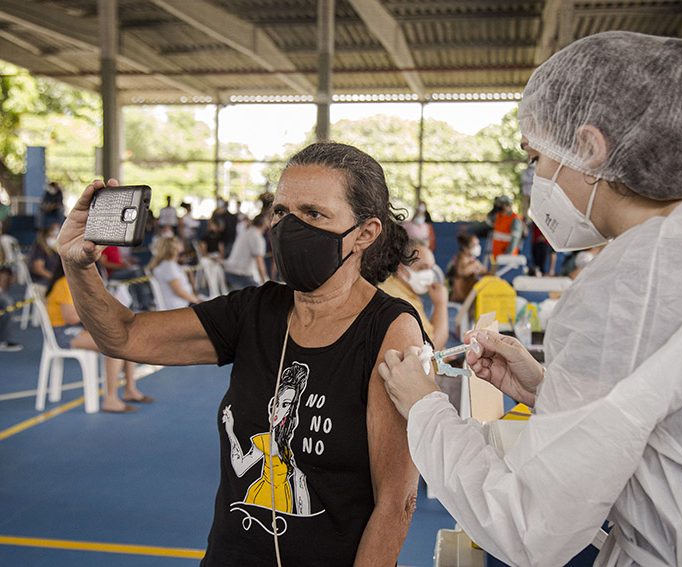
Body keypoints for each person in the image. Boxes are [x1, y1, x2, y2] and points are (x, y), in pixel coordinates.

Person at [377, 31, 682, 567]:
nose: (538, 179)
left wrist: (424, 408)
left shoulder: (630, 284)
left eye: (538, 158)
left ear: (590, 147)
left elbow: (530, 528)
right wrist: (547, 390)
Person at [57, 141, 428, 566]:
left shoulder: (390, 331)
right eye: (282, 211)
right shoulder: (254, 311)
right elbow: (123, 336)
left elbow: (396, 502)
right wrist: (78, 265)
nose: (290, 227)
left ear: (365, 233)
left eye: (313, 214)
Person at [45, 264, 148, 412]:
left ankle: (130, 390)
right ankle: (110, 399)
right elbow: (71, 317)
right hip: (64, 333)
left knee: (126, 339)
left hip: (75, 329)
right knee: (114, 343)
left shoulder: (76, 283)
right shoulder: (65, 283)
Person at [380, 240, 448, 351]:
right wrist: (441, 304)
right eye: (422, 268)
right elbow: (433, 349)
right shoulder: (398, 299)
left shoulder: (396, 288)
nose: (429, 275)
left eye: (431, 268)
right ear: (401, 270)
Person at [148, 236, 200, 309]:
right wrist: (197, 301)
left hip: (179, 303)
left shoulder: (166, 264)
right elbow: (178, 291)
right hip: (180, 305)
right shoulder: (169, 266)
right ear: (174, 248)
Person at [223, 214, 268, 290]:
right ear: (264, 224)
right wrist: (265, 282)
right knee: (260, 297)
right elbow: (259, 263)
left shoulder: (247, 232)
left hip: (232, 271)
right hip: (240, 274)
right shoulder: (256, 237)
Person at [448, 232, 486, 303]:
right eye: (474, 245)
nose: (477, 247)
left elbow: (484, 271)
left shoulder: (473, 260)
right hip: (458, 294)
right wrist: (474, 266)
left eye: (478, 244)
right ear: (465, 248)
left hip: (466, 293)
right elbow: (461, 272)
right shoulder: (461, 258)